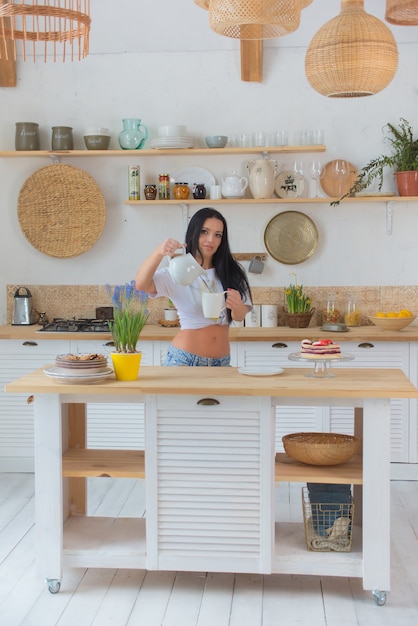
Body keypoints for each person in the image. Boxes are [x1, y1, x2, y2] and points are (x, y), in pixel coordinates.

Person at [135, 207, 252, 366]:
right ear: (192, 234)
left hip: (222, 362)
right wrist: (158, 252)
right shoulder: (178, 271)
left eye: (217, 235)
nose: (211, 239)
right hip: (184, 359)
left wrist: (237, 305)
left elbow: (239, 316)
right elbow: (141, 286)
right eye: (205, 231)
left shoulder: (232, 272)